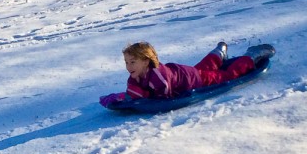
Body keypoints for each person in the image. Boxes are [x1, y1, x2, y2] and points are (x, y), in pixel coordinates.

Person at [99, 41, 275, 107]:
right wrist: (123, 98)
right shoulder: (137, 74)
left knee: (227, 75)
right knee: (205, 67)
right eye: (127, 63)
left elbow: (162, 98)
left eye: (132, 62)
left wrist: (137, 98)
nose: (129, 67)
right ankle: (218, 52)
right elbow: (134, 90)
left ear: (146, 61)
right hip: (185, 73)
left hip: (194, 80)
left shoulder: (158, 77)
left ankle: (251, 56)